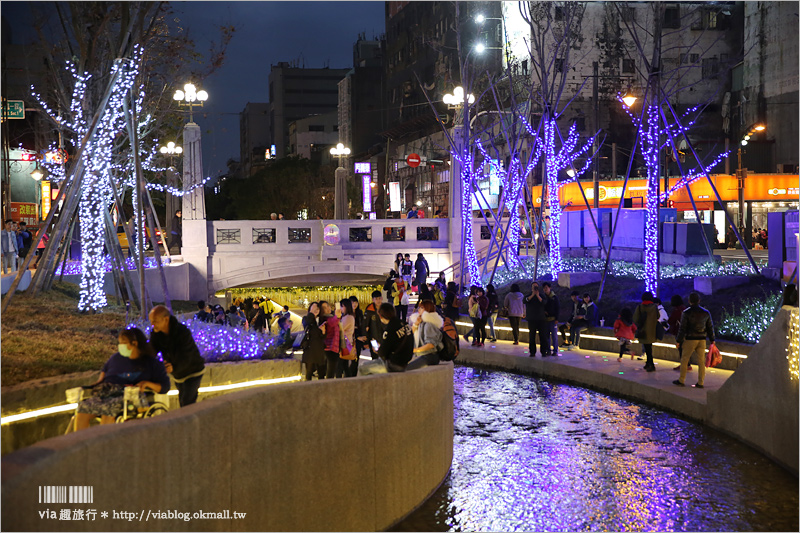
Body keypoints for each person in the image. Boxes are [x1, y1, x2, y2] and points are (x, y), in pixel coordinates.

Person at [75, 327, 171, 430]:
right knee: (82, 408)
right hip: (106, 393)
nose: (120, 346)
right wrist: (99, 381)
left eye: (123, 343)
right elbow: (105, 370)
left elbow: (164, 386)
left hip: (128, 396)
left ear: (134, 343)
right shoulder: (116, 358)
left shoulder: (151, 363)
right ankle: (80, 442)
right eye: (120, 343)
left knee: (109, 409)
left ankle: (103, 442)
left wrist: (147, 383)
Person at [149, 305, 206, 406]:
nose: (152, 324)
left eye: (155, 321)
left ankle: (189, 420)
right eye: (151, 321)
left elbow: (187, 356)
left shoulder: (182, 332)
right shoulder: (156, 333)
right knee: (183, 401)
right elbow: (151, 350)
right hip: (178, 374)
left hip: (193, 371)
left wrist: (173, 367)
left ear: (166, 319)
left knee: (186, 403)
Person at [674, 292, 715, 388]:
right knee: (701, 361)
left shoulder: (686, 312)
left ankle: (681, 380)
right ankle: (701, 382)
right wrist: (712, 339)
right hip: (702, 339)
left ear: (689, 301)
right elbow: (710, 327)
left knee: (684, 359)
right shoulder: (706, 312)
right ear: (699, 301)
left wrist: (679, 340)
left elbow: (682, 328)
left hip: (690, 339)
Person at [376, 303, 414, 372]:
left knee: (362, 367)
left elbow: (382, 353)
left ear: (381, 316)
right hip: (406, 361)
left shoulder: (390, 329)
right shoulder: (405, 324)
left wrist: (378, 349)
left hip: (394, 364)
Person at [406, 300, 444, 370]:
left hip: (429, 355)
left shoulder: (428, 324)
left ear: (427, 309)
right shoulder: (421, 322)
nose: (419, 309)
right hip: (423, 354)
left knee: (408, 369)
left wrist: (416, 350)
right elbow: (410, 335)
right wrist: (416, 324)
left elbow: (431, 344)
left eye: (422, 308)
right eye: (419, 307)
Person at [632, 292, 659, 372]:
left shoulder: (640, 307)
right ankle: (648, 363)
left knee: (647, 348)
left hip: (643, 331)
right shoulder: (654, 307)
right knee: (648, 347)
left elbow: (635, 319)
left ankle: (651, 364)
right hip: (652, 331)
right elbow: (658, 316)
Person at [301, 302, 327, 381]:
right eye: (314, 308)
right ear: (310, 308)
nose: (316, 310)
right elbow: (312, 332)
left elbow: (322, 337)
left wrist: (323, 332)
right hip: (310, 350)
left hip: (319, 350)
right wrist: (311, 314)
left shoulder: (321, 320)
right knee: (308, 374)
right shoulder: (306, 318)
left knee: (321, 374)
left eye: (318, 308)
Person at [525, 282, 549, 356]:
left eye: (536, 287)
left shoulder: (542, 295)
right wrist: (533, 295)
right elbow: (525, 300)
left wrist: (538, 296)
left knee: (543, 336)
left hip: (541, 319)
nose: (535, 288)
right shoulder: (529, 295)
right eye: (533, 287)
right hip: (531, 319)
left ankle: (543, 351)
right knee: (532, 336)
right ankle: (532, 352)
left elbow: (544, 303)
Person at [667, 295, 690, 372]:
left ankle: (684, 365)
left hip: (679, 332)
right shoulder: (685, 308)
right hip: (687, 332)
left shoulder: (677, 310)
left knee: (681, 349)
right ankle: (687, 364)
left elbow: (671, 321)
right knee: (685, 349)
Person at [319, 300, 340, 379]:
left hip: (333, 347)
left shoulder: (331, 316)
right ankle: (327, 387)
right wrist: (337, 316)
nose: (327, 308)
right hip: (330, 347)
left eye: (327, 306)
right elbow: (332, 323)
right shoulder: (327, 318)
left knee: (330, 370)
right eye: (324, 308)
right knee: (330, 371)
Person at [364, 290, 385, 359]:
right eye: (376, 299)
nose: (378, 300)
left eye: (379, 298)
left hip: (384, 337)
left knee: (384, 356)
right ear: (373, 300)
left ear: (382, 298)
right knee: (375, 356)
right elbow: (365, 325)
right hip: (373, 338)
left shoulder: (385, 308)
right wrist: (366, 341)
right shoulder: (370, 310)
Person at [542, 282, 560, 356]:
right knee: (546, 336)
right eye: (544, 288)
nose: (545, 289)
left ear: (550, 288)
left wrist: (557, 318)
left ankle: (555, 350)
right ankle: (548, 350)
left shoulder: (554, 297)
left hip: (553, 319)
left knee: (554, 336)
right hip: (545, 320)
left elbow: (557, 308)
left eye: (546, 288)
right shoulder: (543, 297)